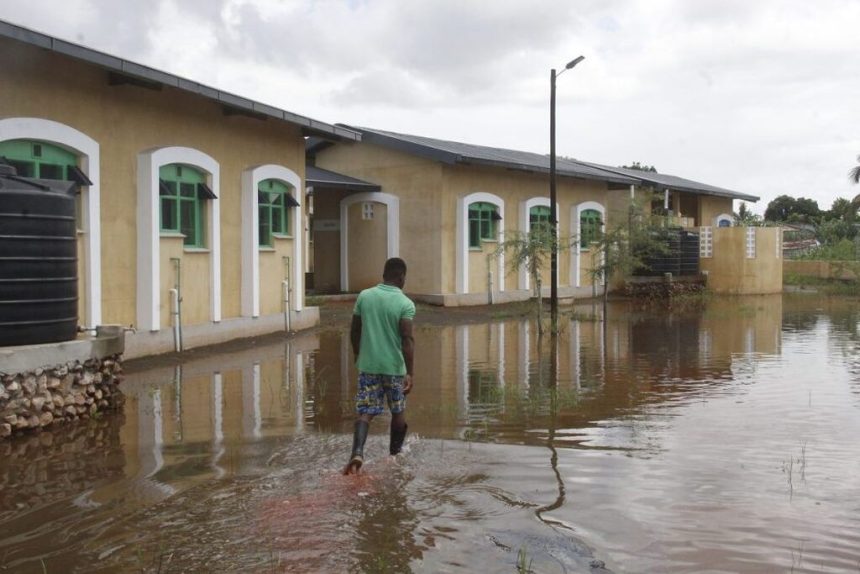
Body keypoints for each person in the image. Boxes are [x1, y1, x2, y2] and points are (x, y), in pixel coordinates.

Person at [343, 257, 415, 475]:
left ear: (384, 274)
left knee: (365, 412)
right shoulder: (405, 304)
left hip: (369, 366)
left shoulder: (365, 296)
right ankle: (394, 457)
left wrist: (358, 354)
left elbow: (355, 330)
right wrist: (410, 372)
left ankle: (357, 452)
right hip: (394, 368)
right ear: (402, 277)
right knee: (398, 411)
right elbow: (407, 340)